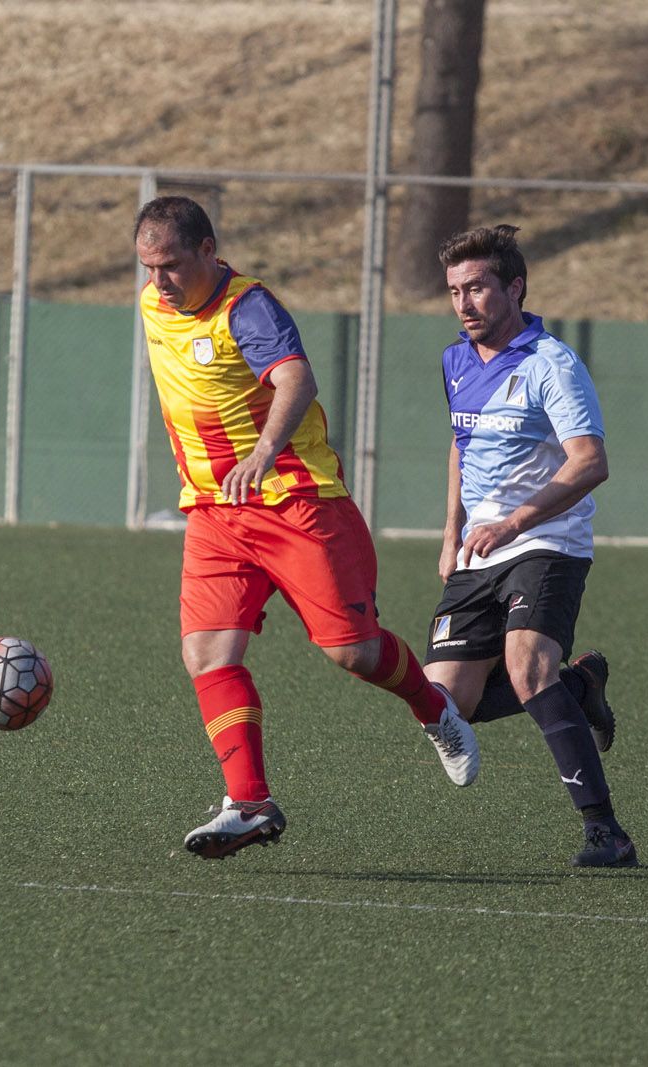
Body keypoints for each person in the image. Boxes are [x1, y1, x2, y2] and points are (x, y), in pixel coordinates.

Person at [133, 195, 478, 860]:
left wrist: (262, 451)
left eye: (171, 264)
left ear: (210, 250)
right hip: (212, 509)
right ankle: (250, 801)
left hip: (297, 501)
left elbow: (295, 378)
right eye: (148, 267)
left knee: (353, 652)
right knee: (206, 654)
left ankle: (435, 709)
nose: (159, 281)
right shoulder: (155, 303)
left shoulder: (248, 308)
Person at [420, 224, 638, 868]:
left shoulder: (551, 364)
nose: (465, 302)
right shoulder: (455, 360)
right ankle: (577, 685)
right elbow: (462, 447)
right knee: (443, 705)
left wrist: (514, 523)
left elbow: (589, 462)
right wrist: (450, 532)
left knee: (526, 669)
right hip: (479, 546)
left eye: (479, 287)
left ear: (514, 287)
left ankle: (606, 833)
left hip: (547, 538)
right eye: (455, 290)